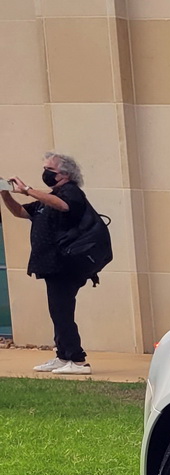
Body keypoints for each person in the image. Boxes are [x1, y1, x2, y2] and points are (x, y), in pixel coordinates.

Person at [1, 152, 93, 374]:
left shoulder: (71, 192)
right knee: (57, 311)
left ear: (64, 174)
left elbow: (64, 206)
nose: (45, 173)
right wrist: (5, 194)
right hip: (51, 265)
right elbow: (21, 212)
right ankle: (63, 356)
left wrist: (28, 190)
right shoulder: (49, 198)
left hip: (66, 265)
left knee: (62, 311)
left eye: (49, 170)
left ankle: (78, 361)